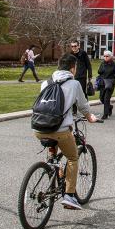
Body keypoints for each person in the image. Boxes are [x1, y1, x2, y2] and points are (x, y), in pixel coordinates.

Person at [33, 54, 98, 209]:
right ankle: (69, 196)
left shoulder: (46, 83)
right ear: (72, 68)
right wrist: (90, 117)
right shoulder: (74, 84)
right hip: (60, 130)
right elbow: (83, 106)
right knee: (73, 157)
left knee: (54, 155)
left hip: (39, 128)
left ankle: (54, 167)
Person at [96, 50, 115, 119]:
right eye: (104, 56)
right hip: (102, 83)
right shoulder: (102, 63)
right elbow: (99, 71)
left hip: (110, 83)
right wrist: (102, 69)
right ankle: (109, 107)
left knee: (106, 99)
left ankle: (105, 115)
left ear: (111, 57)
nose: (105, 57)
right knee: (101, 98)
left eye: (107, 56)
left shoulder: (114, 64)